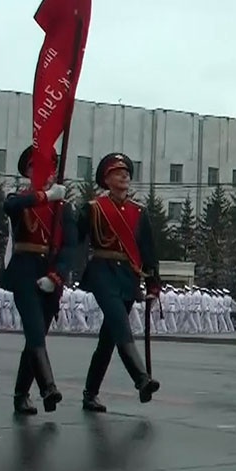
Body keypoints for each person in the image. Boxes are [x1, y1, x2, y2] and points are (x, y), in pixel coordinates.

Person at [78, 153, 161, 412]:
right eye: (117, 172)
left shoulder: (139, 211)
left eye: (126, 172)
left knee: (108, 338)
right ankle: (141, 378)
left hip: (128, 275)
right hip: (102, 272)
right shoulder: (93, 208)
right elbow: (75, 238)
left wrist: (153, 284)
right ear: (106, 179)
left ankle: (90, 393)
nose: (124, 176)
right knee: (119, 322)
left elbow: (148, 249)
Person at [4, 147, 76, 415]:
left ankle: (21, 393)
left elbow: (70, 247)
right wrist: (45, 196)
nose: (46, 173)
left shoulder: (64, 208)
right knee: (34, 331)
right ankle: (48, 387)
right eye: (38, 168)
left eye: (50, 168)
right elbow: (9, 206)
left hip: (51, 274)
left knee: (36, 337)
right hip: (24, 271)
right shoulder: (19, 198)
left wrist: (56, 275)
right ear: (28, 172)